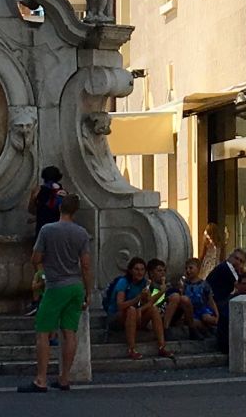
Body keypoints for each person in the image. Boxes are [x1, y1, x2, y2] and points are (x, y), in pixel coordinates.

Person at [18, 194, 93, 393]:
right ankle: (64, 378)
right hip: (76, 285)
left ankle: (41, 379)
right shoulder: (82, 233)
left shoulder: (47, 230)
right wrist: (88, 291)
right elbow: (86, 265)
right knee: (70, 332)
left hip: (55, 286)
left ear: (59, 208)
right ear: (75, 211)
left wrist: (43, 269)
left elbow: (36, 257)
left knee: (43, 332)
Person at [106, 256, 173, 360]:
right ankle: (132, 349)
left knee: (154, 310)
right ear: (131, 270)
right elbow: (120, 305)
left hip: (135, 314)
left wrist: (160, 292)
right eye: (136, 269)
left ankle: (161, 346)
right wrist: (137, 300)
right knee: (131, 310)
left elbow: (150, 302)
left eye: (142, 270)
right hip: (118, 316)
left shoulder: (145, 283)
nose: (139, 272)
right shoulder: (123, 282)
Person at [147, 258, 194, 338]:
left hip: (169, 315)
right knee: (175, 297)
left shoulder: (168, 286)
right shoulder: (148, 286)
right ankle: (165, 330)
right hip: (155, 316)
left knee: (184, 299)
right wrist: (162, 291)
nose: (162, 273)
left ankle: (192, 329)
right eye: (159, 271)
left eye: (164, 271)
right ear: (151, 273)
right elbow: (150, 303)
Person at [182, 257, 219, 336]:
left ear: (198, 269)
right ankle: (206, 330)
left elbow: (210, 300)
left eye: (191, 268)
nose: (188, 270)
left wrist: (217, 314)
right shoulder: (185, 285)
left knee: (206, 317)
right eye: (186, 268)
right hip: (192, 311)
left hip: (203, 309)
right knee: (194, 323)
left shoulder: (204, 284)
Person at [28, 165, 65, 240]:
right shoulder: (63, 193)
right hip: (59, 230)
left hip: (43, 229)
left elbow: (31, 210)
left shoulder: (38, 190)